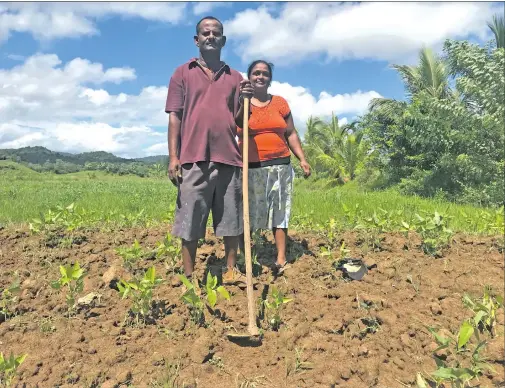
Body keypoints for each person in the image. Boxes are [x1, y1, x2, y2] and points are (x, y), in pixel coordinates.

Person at [164, 16, 254, 285]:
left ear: (223, 41)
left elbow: (240, 122)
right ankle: (190, 276)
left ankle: (230, 270)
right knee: (190, 219)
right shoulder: (182, 73)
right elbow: (174, 117)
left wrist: (246, 100)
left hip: (229, 158)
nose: (211, 36)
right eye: (206, 33)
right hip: (193, 158)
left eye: (216, 33)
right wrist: (173, 156)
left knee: (231, 220)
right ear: (197, 40)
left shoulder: (236, 78)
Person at [235, 60, 311, 275]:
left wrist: (302, 159)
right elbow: (238, 126)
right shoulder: (241, 103)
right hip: (250, 168)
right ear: (249, 77)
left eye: (265, 73)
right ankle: (246, 257)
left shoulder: (279, 103)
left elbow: (291, 133)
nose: (260, 76)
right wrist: (244, 101)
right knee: (247, 213)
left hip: (280, 166)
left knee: (280, 212)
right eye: (256, 73)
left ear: (270, 78)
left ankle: (280, 258)